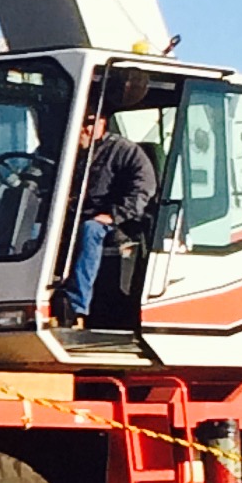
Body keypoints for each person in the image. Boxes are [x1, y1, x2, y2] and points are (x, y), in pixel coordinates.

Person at [54, 109, 158, 327]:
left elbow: (144, 188)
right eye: (80, 121)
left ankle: (76, 308)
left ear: (103, 123)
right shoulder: (66, 151)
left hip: (119, 223)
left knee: (90, 230)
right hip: (73, 217)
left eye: (90, 122)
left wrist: (114, 215)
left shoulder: (125, 151)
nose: (84, 128)